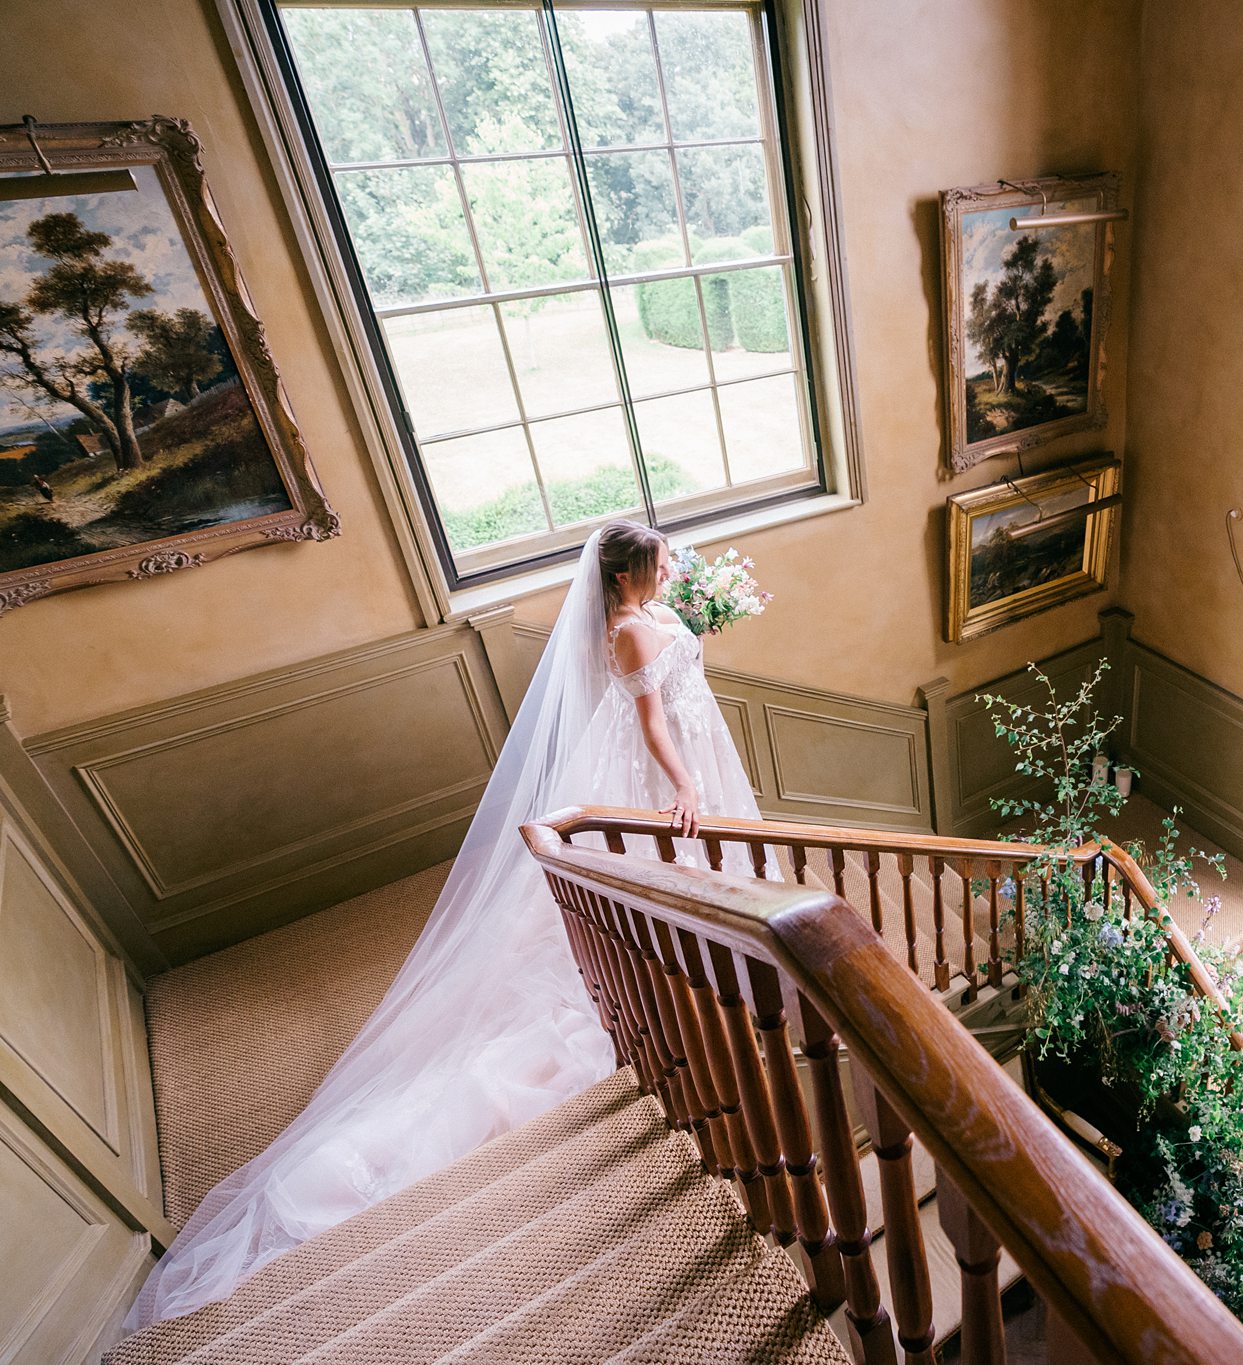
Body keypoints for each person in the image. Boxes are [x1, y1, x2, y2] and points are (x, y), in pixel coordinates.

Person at [123, 522, 769, 1330]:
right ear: (630, 576)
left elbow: (683, 679)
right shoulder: (631, 632)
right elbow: (652, 726)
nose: (674, 565)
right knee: (650, 874)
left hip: (690, 750)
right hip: (659, 769)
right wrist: (684, 789)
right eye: (662, 560)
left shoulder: (656, 611)